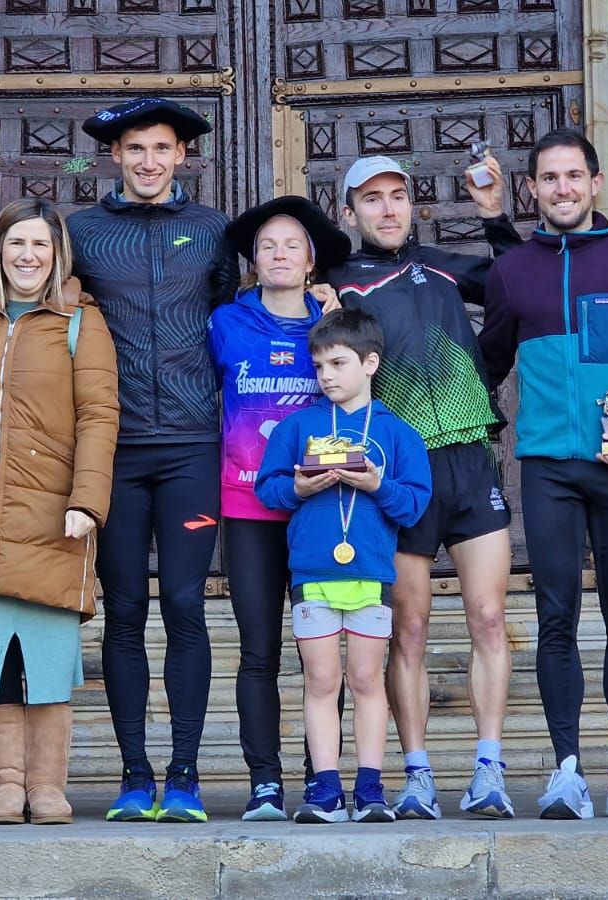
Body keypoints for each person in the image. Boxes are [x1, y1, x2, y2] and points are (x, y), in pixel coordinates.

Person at [479, 129, 608, 819]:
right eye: (549, 178)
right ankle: (566, 771)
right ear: (532, 189)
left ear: (595, 182)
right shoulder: (514, 273)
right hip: (546, 468)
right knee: (556, 616)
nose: (563, 188)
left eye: (575, 176)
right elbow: (488, 363)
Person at [328, 153, 522, 819]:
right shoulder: (340, 284)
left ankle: (489, 770)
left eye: (397, 197)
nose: (387, 209)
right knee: (406, 630)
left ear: (412, 204)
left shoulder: (442, 265)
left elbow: (515, 282)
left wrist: (494, 213)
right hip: (399, 470)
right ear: (347, 211)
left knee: (489, 618)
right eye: (371, 199)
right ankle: (416, 775)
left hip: (470, 460)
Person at [71, 97, 237, 823]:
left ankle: (186, 775)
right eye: (134, 149)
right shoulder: (81, 232)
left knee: (183, 606)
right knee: (127, 612)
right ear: (115, 157)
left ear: (181, 157)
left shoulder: (210, 232)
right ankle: (134, 775)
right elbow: (45, 308)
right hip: (114, 447)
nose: (147, 161)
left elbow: (238, 315)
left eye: (160, 148)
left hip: (193, 447)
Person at [0, 198, 119, 826]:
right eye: (16, 244)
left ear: (57, 253)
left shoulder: (80, 323)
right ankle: (6, 783)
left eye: (40, 245)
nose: (27, 256)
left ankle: (47, 785)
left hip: (50, 515)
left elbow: (98, 415)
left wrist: (87, 502)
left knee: (45, 661)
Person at [255, 309, 431, 824]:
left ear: (370, 363)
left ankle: (371, 789)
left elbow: (415, 505)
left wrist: (378, 485)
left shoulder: (398, 434)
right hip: (312, 574)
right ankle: (326, 790)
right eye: (319, 365)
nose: (326, 375)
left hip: (371, 574)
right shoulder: (298, 426)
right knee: (321, 681)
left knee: (366, 680)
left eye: (337, 363)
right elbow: (268, 488)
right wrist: (297, 488)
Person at [210, 196, 351, 821]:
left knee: (323, 650)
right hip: (247, 506)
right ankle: (265, 780)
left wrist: (340, 315)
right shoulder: (225, 323)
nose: (280, 254)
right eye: (268, 245)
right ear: (253, 260)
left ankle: (322, 777)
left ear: (311, 258)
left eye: (292, 244)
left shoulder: (333, 325)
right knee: (260, 648)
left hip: (323, 508)